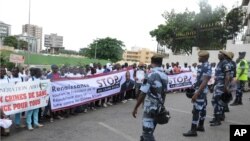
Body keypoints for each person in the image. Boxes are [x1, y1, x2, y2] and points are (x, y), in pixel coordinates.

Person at [132, 54, 168, 141]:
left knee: (147, 133)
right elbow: (164, 93)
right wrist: (162, 105)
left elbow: (142, 93)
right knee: (149, 131)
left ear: (152, 63)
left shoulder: (150, 74)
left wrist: (135, 108)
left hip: (150, 107)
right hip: (158, 107)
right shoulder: (165, 75)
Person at [183, 51, 211, 137]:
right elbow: (200, 80)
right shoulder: (202, 65)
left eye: (200, 57)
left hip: (201, 91)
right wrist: (193, 86)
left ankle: (193, 130)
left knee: (196, 110)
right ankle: (201, 126)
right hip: (201, 90)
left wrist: (196, 93)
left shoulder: (206, 66)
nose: (198, 58)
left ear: (204, 58)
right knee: (203, 108)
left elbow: (205, 81)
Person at [210, 51, 231, 126]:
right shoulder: (219, 63)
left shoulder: (225, 63)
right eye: (218, 53)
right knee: (215, 101)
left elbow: (228, 76)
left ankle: (217, 119)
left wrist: (225, 86)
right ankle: (219, 116)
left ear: (224, 55)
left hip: (221, 86)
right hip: (217, 85)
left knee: (217, 101)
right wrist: (213, 85)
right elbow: (217, 76)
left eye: (220, 53)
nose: (218, 54)